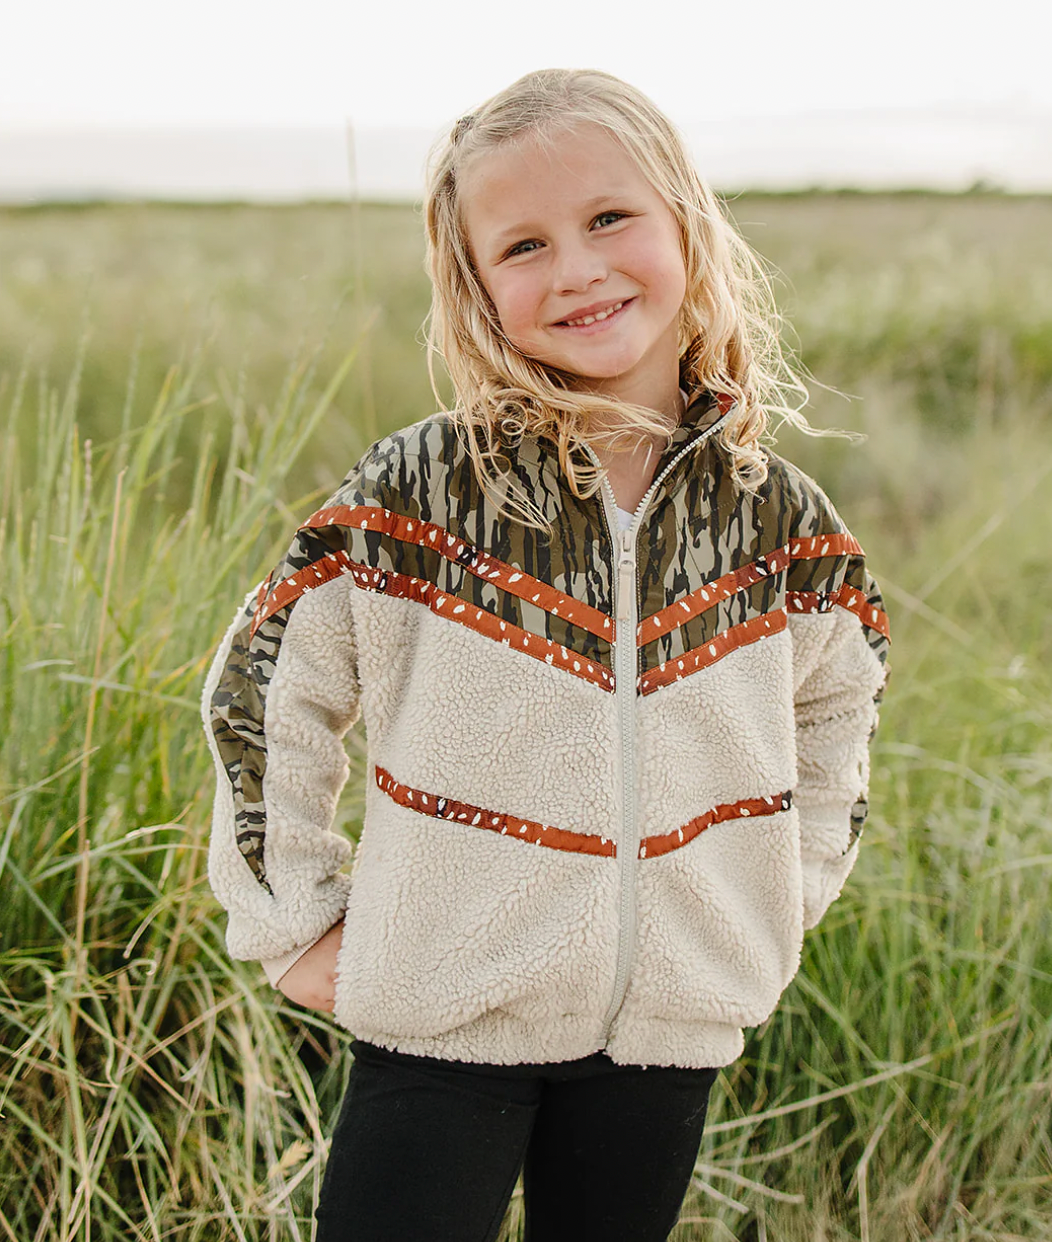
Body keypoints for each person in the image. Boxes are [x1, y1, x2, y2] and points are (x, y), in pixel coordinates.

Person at [202, 67, 890, 1242]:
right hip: (440, 1017)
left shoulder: (778, 520)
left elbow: (839, 713)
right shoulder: (422, 491)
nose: (574, 268)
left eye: (608, 219)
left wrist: (771, 896)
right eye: (522, 245)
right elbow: (265, 685)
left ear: (685, 221)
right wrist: (295, 920)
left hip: (670, 1025)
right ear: (474, 287)